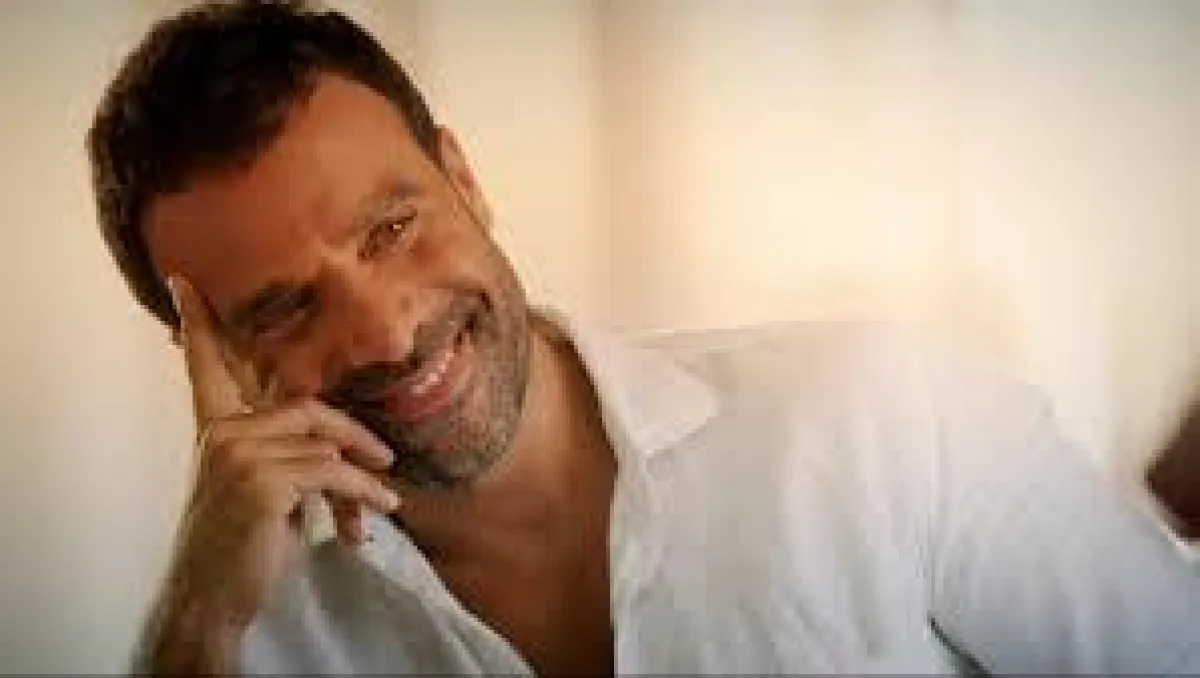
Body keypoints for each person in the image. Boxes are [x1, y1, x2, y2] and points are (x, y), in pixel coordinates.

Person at [87, 1, 1200, 674]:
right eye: (284, 308)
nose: (386, 329)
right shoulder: (238, 645)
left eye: (392, 227)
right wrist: (196, 627)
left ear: (463, 177)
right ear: (212, 359)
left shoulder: (881, 418)